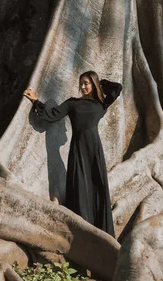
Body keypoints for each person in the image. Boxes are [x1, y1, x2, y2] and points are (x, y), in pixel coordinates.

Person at [23, 71, 122, 236]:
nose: (83, 87)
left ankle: (101, 232)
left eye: (87, 83)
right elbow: (51, 115)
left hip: (95, 150)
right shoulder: (72, 104)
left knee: (97, 186)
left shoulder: (102, 103)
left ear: (93, 84)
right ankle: (82, 230)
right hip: (78, 150)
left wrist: (100, 82)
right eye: (81, 83)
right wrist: (35, 100)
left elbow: (117, 88)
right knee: (79, 186)